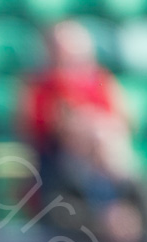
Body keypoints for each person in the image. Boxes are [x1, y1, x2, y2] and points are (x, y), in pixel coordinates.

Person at [21, 20, 126, 180]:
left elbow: (118, 121)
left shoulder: (101, 79)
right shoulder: (39, 85)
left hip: (103, 151)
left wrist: (92, 124)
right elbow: (36, 128)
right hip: (59, 156)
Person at [44, 108, 147, 242]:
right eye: (97, 144)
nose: (103, 150)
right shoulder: (70, 179)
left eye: (111, 143)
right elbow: (59, 215)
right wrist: (101, 222)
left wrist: (132, 222)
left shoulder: (137, 182)